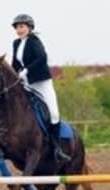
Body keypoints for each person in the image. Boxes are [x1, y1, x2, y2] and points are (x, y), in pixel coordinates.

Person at [11, 14, 71, 163]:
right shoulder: (16, 43)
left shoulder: (34, 41)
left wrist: (26, 71)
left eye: (22, 27)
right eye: (17, 27)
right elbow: (15, 63)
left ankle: (58, 149)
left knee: (54, 114)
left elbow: (42, 58)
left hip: (42, 83)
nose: (19, 30)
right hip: (27, 83)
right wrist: (13, 75)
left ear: (29, 28)